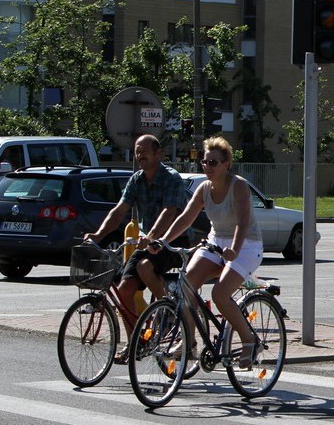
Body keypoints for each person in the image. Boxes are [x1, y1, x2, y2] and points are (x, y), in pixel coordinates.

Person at [158, 136, 264, 369]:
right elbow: (186, 217)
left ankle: (249, 341)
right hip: (216, 241)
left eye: (213, 163)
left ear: (227, 165)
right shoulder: (204, 188)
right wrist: (163, 240)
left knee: (220, 294)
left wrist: (235, 250)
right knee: (185, 286)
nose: (207, 167)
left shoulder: (239, 186)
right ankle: (189, 342)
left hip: (246, 245)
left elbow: (243, 221)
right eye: (205, 162)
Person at [83, 134, 188, 363]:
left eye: (144, 151)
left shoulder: (172, 178)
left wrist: (151, 236)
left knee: (143, 266)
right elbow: (120, 210)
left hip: (172, 241)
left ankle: (167, 307)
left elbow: (169, 212)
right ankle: (135, 342)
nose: (140, 155)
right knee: (124, 291)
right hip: (147, 242)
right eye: (137, 151)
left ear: (158, 153)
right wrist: (99, 234)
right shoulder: (137, 179)